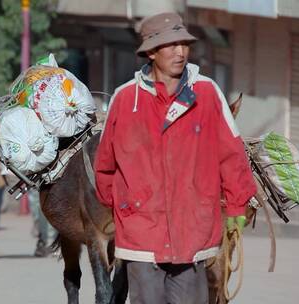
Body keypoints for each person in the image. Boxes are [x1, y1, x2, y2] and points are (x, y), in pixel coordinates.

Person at [94, 12, 257, 304]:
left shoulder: (207, 93)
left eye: (184, 44)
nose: (180, 52)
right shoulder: (124, 99)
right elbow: (105, 165)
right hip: (142, 232)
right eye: (171, 45)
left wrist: (236, 207)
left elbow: (232, 155)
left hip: (194, 230)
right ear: (152, 52)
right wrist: (125, 208)